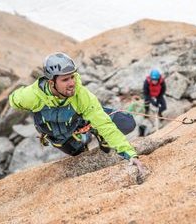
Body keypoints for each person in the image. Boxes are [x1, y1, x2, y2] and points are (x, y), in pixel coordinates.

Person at [9, 52, 145, 173]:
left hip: (79, 123)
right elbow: (13, 100)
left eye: (72, 77)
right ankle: (83, 139)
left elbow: (104, 123)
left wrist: (130, 154)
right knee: (80, 153)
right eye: (65, 79)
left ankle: (99, 135)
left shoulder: (81, 95)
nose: (72, 83)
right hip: (58, 136)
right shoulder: (32, 96)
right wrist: (22, 96)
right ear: (51, 82)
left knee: (125, 122)